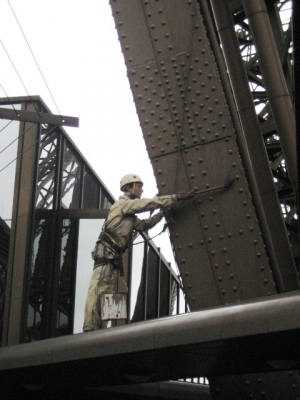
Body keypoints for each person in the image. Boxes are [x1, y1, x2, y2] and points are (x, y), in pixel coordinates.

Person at [83, 173, 194, 331]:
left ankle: (98, 328)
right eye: (139, 186)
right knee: (98, 290)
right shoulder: (123, 204)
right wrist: (173, 198)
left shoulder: (128, 215)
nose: (141, 190)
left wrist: (162, 212)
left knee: (106, 293)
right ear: (129, 188)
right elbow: (145, 204)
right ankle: (89, 328)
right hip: (106, 256)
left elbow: (144, 225)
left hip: (112, 258)